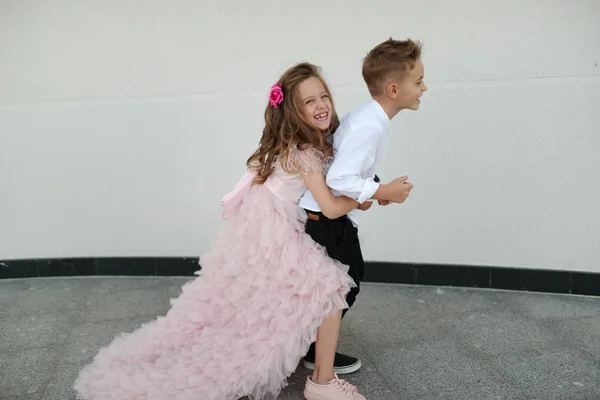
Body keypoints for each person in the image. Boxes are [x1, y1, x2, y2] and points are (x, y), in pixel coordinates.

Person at [73, 62, 410, 400]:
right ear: (293, 110)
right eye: (309, 101)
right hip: (276, 228)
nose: (321, 105)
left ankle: (310, 353)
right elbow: (332, 207)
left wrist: (364, 194)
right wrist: (380, 193)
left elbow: (336, 191)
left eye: (324, 96)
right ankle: (321, 382)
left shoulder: (314, 140)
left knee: (304, 292)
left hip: (271, 218)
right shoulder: (305, 152)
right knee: (330, 288)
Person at [299, 38, 427, 374]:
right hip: (322, 221)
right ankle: (311, 350)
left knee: (351, 276)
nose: (424, 87)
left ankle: (311, 347)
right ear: (394, 89)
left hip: (324, 216)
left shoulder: (370, 117)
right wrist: (382, 189)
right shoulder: (371, 125)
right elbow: (341, 179)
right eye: (419, 81)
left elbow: (348, 166)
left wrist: (374, 190)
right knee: (346, 282)